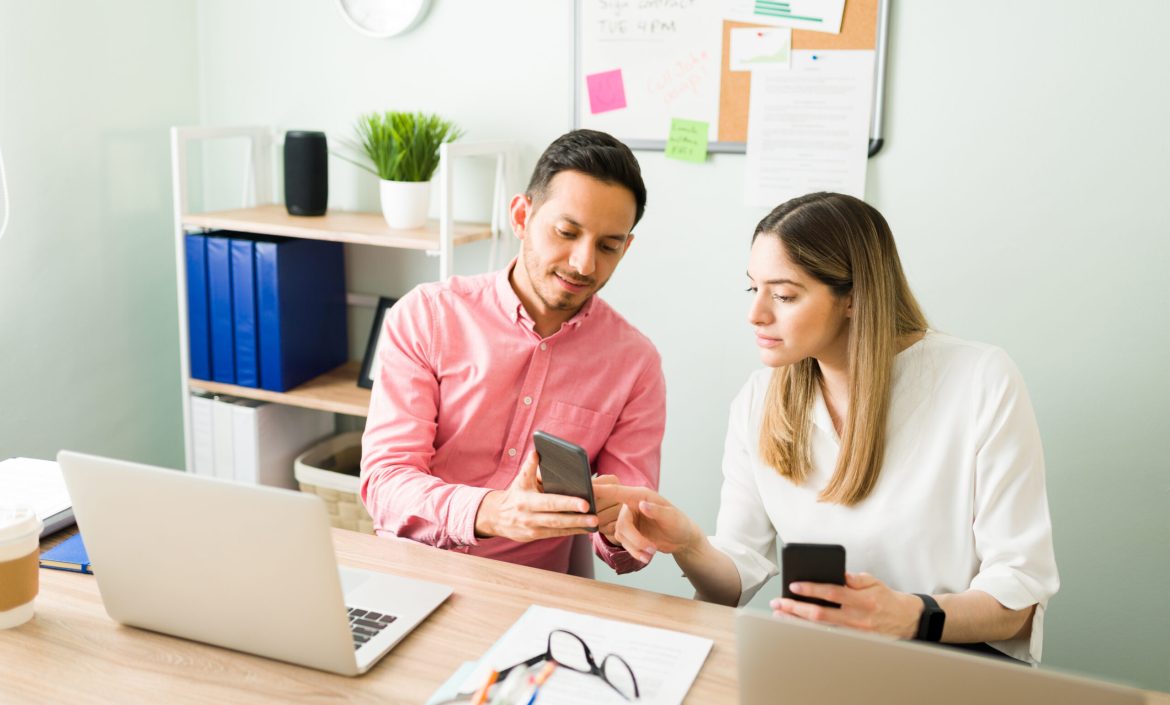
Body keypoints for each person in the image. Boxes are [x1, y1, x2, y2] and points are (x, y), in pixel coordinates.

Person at [597, 192, 1059, 663]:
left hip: (950, 668)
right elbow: (736, 577)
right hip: (823, 665)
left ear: (854, 298)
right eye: (752, 289)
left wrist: (909, 616)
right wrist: (689, 544)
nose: (755, 314)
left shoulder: (979, 379)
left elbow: (1018, 602)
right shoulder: (759, 401)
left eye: (783, 295)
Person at [360, 129, 665, 575]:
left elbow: (624, 540)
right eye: (566, 232)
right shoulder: (426, 316)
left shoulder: (635, 364)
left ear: (626, 247)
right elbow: (386, 483)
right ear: (522, 216)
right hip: (413, 569)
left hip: (534, 592)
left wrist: (623, 529)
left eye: (608, 246)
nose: (584, 264)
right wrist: (493, 511)